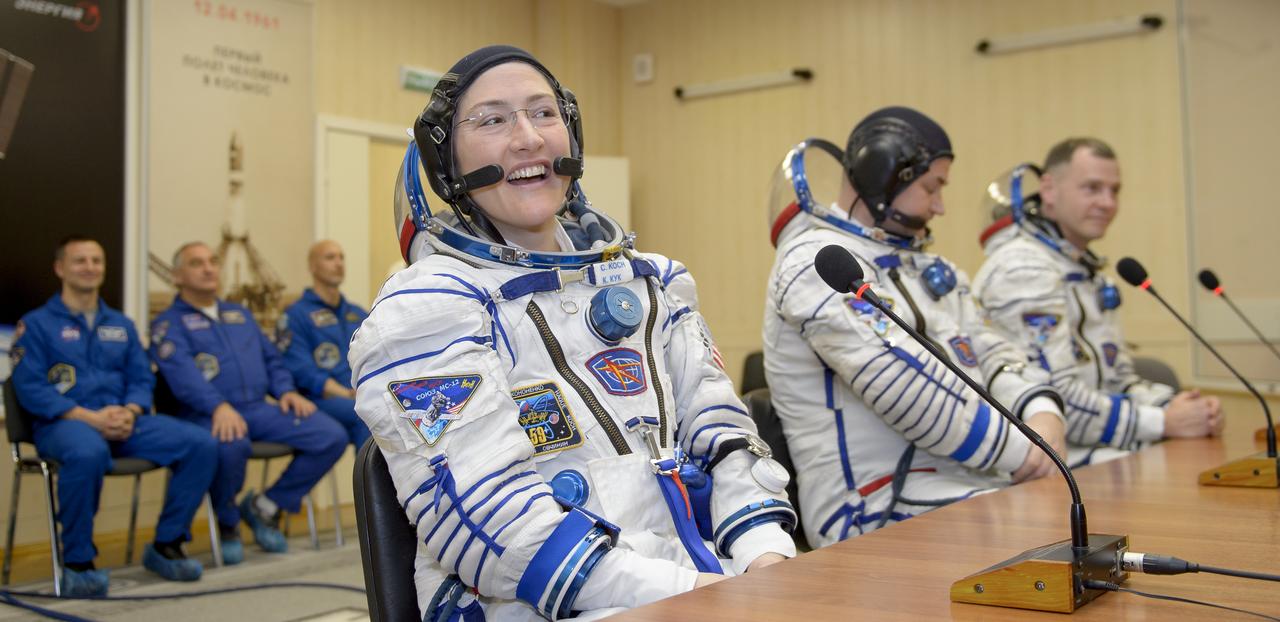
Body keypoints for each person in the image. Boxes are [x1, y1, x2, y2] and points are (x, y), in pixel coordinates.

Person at [351, 45, 797, 621]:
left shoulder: (652, 283)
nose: (528, 138)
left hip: (704, 584)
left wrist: (768, 562)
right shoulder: (425, 310)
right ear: (448, 162)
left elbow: (728, 438)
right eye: (492, 120)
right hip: (539, 604)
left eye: (543, 113)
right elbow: (496, 529)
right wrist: (695, 594)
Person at [762, 107, 1068, 549]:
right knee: (1049, 532)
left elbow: (992, 351)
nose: (940, 206)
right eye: (931, 188)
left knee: (1081, 519)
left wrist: (1043, 413)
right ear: (883, 174)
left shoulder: (927, 265)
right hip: (868, 504)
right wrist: (1025, 452)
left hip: (965, 478)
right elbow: (904, 387)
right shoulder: (816, 263)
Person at [972, 138, 1223, 466]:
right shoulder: (1022, 268)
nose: (1107, 202)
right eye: (1092, 188)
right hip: (1047, 463)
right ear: (1048, 189)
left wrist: (1180, 407)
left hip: (1097, 453)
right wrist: (1162, 422)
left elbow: (1119, 380)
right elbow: (1056, 401)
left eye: (1114, 190)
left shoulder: (1086, 271)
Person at [11, 236, 216, 595]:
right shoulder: (36, 325)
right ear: (60, 268)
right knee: (88, 452)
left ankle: (166, 545)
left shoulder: (120, 324)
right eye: (80, 261)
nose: (90, 267)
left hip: (125, 423)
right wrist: (89, 418)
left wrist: (131, 410)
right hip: (65, 426)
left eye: (96, 260)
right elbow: (30, 388)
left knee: (200, 443)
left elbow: (140, 377)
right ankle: (77, 562)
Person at [151, 241, 346, 563]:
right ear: (177, 276)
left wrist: (286, 391)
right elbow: (184, 377)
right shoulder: (168, 324)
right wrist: (218, 407)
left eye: (212, 261)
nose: (209, 268)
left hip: (257, 407)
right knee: (231, 444)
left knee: (329, 435)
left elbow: (272, 360)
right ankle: (228, 523)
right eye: (197, 263)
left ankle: (265, 506)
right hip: (204, 414)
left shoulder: (238, 314)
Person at [279, 239, 371, 450]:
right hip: (320, 399)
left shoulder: (355, 314)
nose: (338, 263)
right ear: (312, 266)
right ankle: (369, 483)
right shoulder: (296, 315)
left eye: (341, 257)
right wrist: (347, 393)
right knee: (367, 413)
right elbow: (301, 370)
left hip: (359, 396)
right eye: (330, 258)